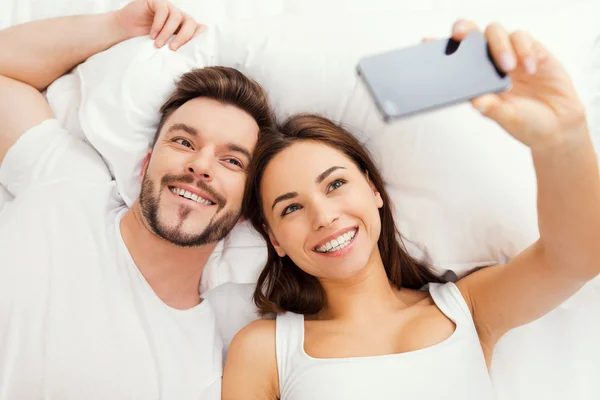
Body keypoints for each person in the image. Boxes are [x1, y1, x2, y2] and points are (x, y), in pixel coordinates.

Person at [221, 19, 600, 399]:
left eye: (335, 184)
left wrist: (562, 137)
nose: (323, 217)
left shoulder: (465, 308)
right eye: (290, 209)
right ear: (275, 239)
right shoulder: (263, 350)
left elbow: (577, 259)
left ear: (373, 191)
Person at [0, 1, 273, 398]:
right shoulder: (68, 180)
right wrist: (115, 24)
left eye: (231, 160)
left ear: (249, 207)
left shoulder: (196, 373)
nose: (200, 165)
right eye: (183, 141)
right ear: (146, 163)